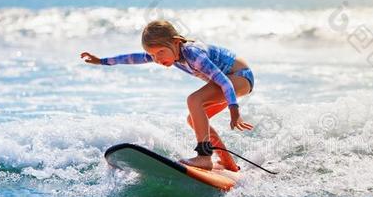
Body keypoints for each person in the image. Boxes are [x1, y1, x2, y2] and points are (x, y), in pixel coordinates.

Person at [80, 20, 254, 171]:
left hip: (240, 77)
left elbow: (224, 82)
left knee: (194, 100)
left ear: (176, 42)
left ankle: (204, 157)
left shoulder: (193, 54)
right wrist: (101, 61)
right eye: (152, 55)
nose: (156, 59)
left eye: (160, 52)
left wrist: (234, 110)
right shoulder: (172, 54)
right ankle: (228, 163)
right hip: (232, 81)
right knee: (193, 119)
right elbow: (132, 58)